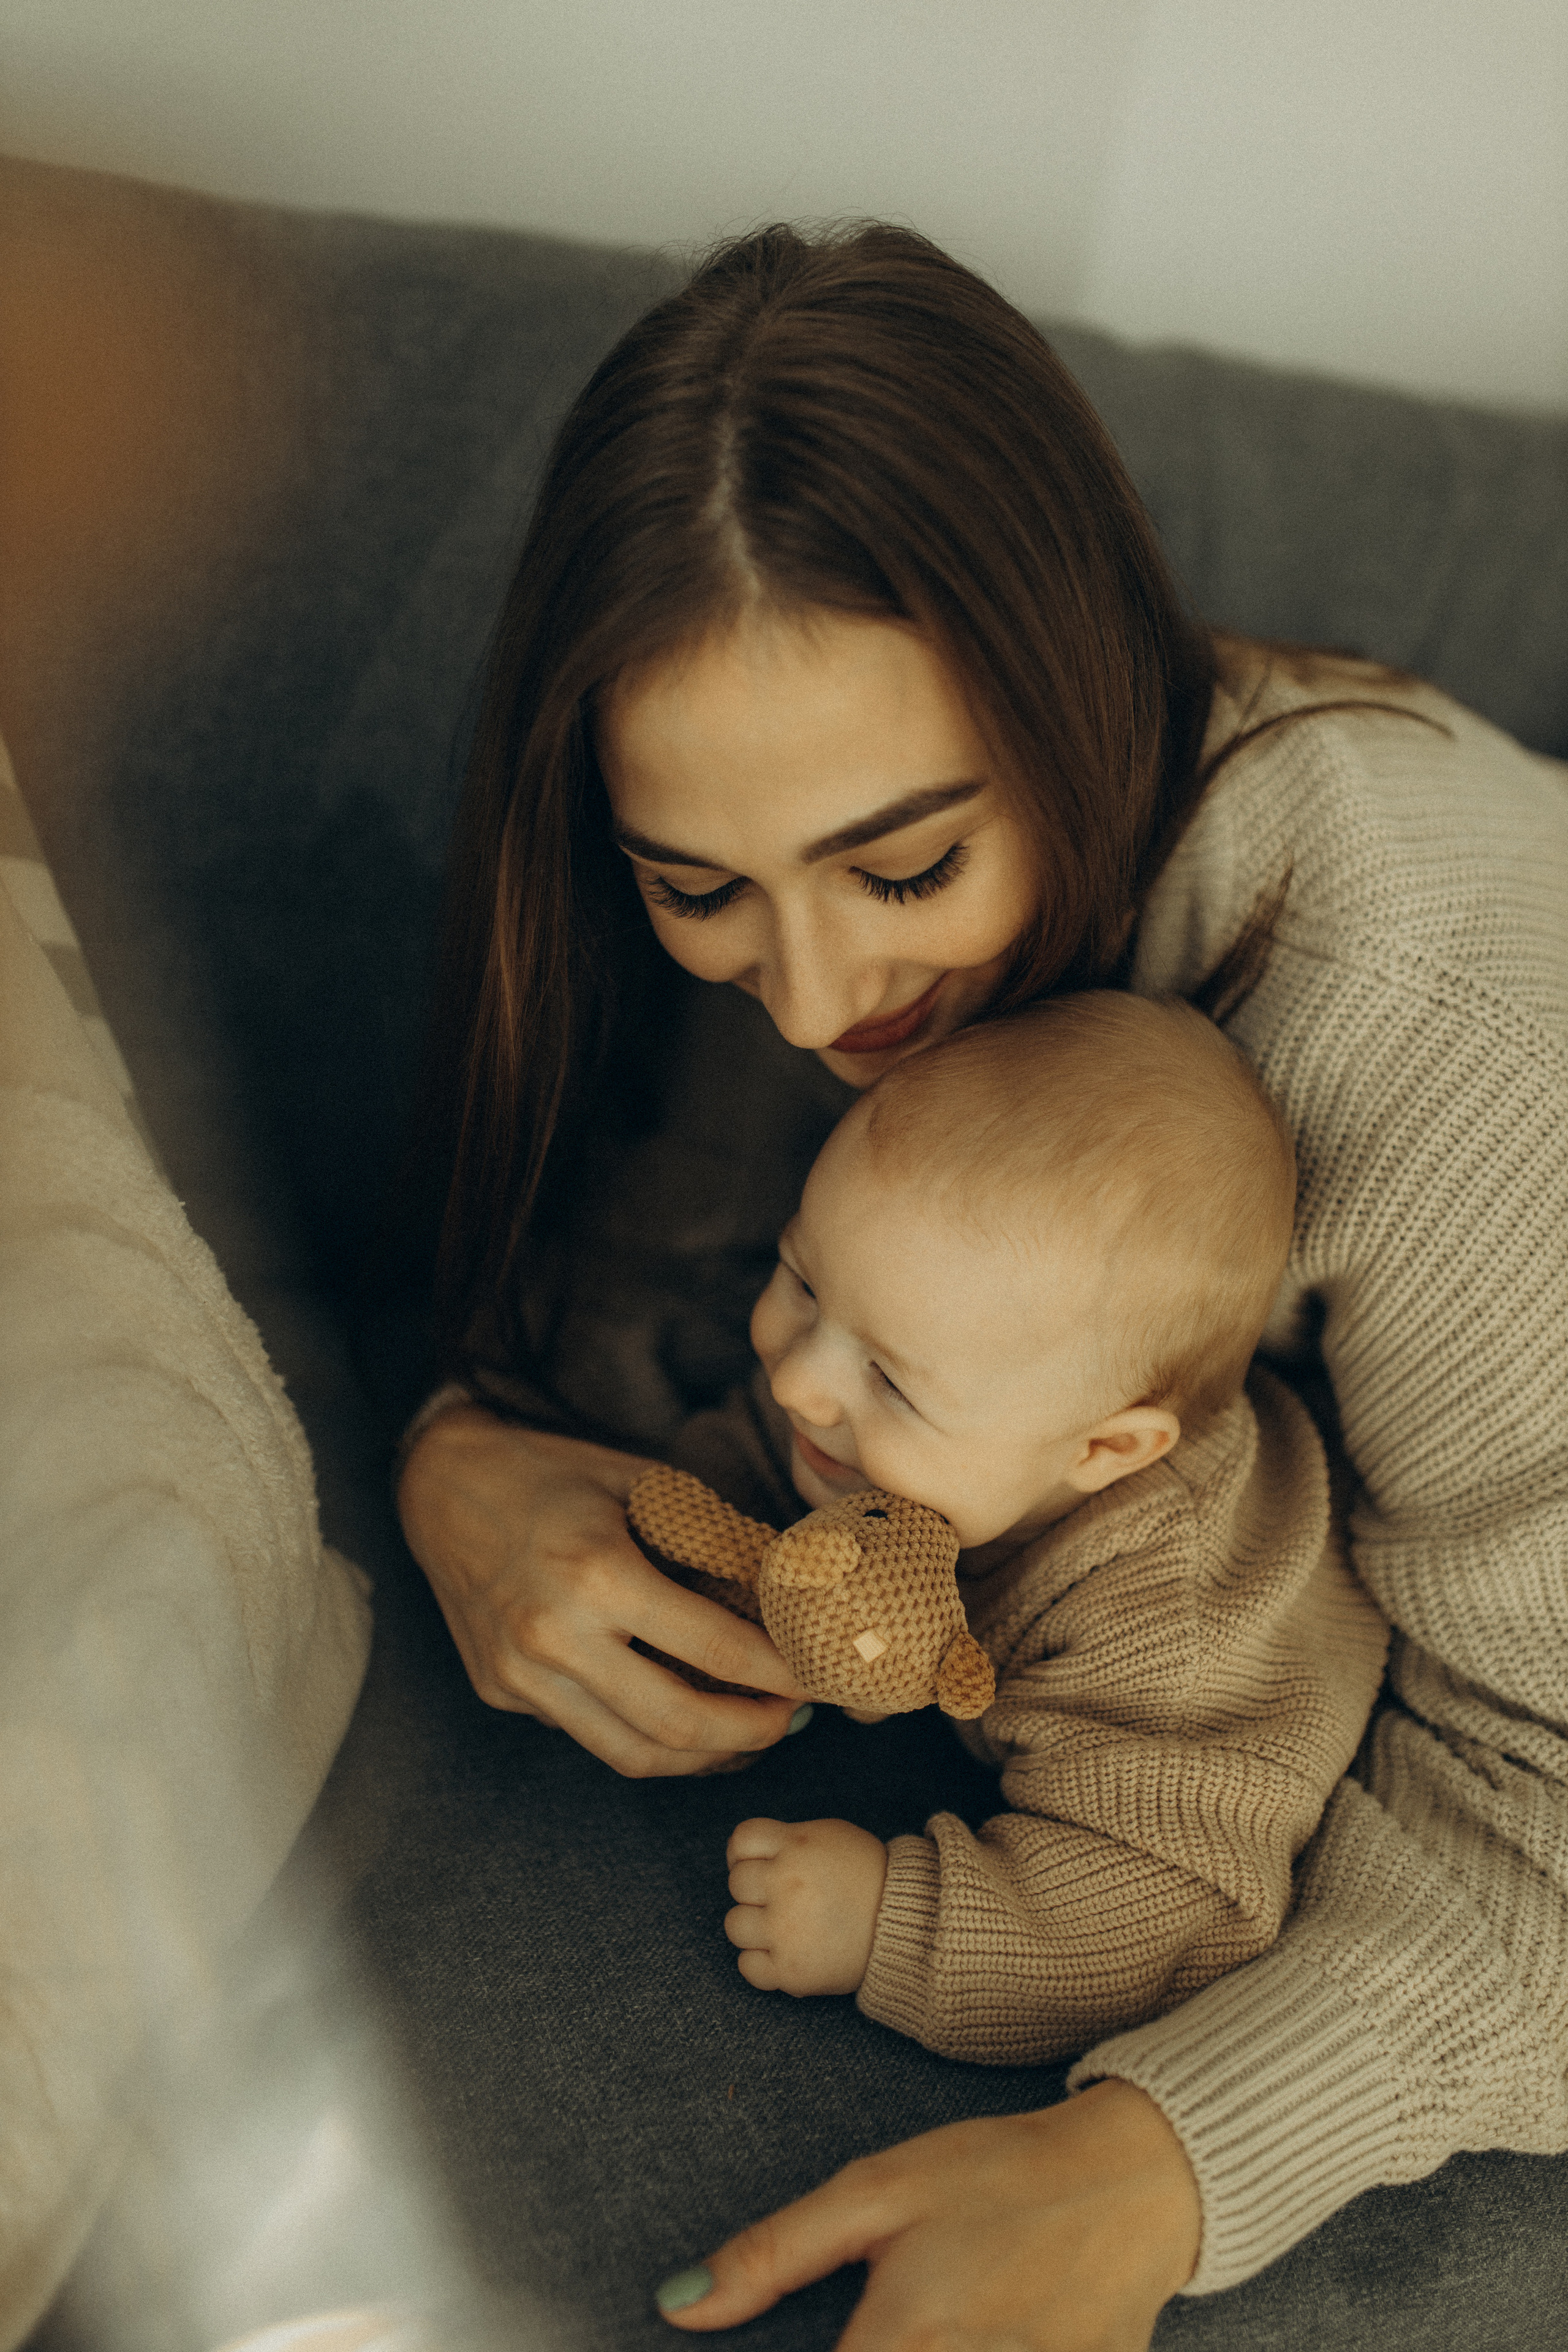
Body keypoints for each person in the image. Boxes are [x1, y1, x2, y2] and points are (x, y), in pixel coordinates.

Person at [393, 222, 1568, 2347]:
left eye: (908, 864)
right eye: (699, 890)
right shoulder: (787, 963)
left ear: (1077, 686)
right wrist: (458, 1458)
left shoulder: (1439, 1040)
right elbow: (572, 1281)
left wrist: (1166, 2161)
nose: (824, 997)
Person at [677, 994, 1392, 2055]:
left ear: (1100, 1452)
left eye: (891, 1382)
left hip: (1175, 1778)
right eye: (801, 1279)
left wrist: (888, 1921)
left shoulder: (1170, 1632)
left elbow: (1167, 1914)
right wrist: (687, 1562)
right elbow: (762, 1449)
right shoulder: (916, 1394)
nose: (799, 1381)